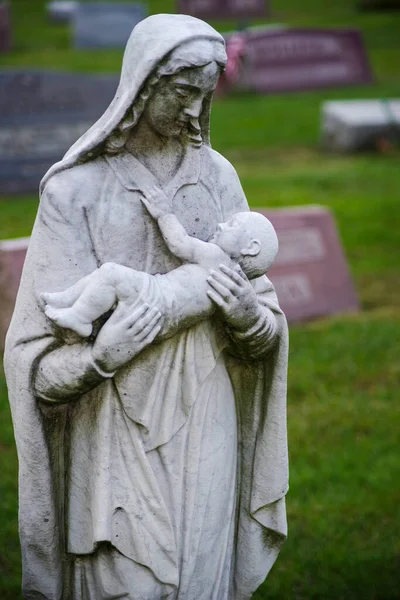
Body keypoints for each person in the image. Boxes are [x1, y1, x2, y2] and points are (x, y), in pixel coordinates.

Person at [5, 14, 289, 600]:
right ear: (142, 86)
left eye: (203, 95)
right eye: (181, 92)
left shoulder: (218, 178)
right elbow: (36, 369)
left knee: (202, 580)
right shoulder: (75, 192)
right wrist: (100, 358)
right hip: (111, 434)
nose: (193, 110)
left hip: (207, 421)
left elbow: (265, 331)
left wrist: (242, 314)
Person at [42, 185, 279, 339]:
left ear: (251, 248)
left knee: (111, 274)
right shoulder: (233, 281)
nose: (220, 225)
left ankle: (80, 316)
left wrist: (164, 212)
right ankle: (70, 300)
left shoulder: (216, 256)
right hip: (168, 319)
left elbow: (179, 243)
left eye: (232, 225)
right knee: (109, 277)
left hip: (159, 298)